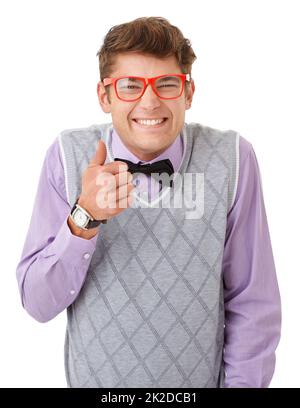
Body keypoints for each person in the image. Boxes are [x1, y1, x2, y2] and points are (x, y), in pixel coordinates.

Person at [16, 16, 281, 388]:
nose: (150, 101)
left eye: (167, 84)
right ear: (104, 96)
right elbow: (38, 304)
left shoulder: (233, 158)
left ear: (188, 92)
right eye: (130, 86)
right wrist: (85, 216)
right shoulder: (66, 156)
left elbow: (253, 303)